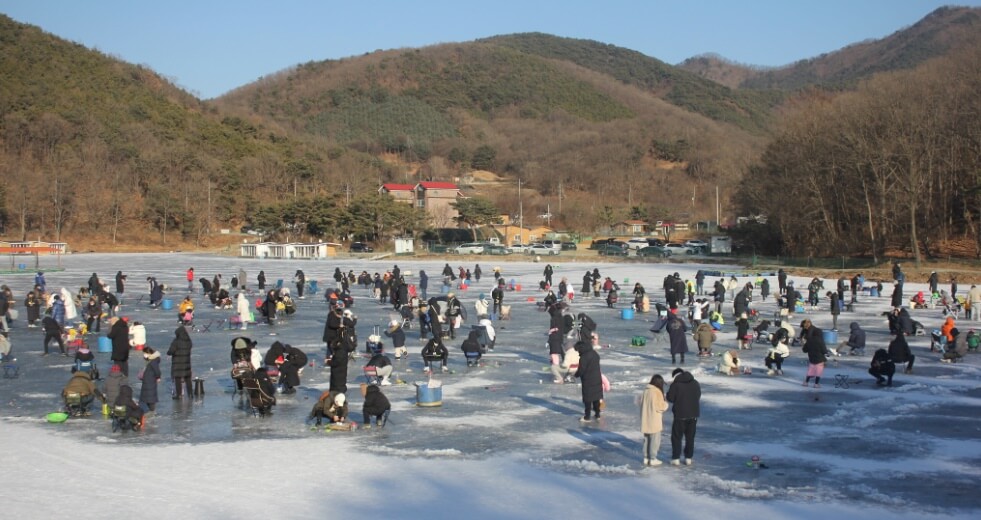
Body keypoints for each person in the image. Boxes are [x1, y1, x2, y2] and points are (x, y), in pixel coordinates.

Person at [666, 368, 701, 466]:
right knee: (690, 438)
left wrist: (669, 393)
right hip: (693, 414)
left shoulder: (676, 385)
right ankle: (688, 458)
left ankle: (676, 458)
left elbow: (670, 398)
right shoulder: (695, 383)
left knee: (677, 437)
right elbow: (698, 395)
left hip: (680, 415)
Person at [640, 374, 669, 466]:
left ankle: (646, 457)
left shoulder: (646, 390)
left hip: (645, 419)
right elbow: (660, 407)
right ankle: (653, 458)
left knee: (647, 439)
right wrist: (666, 404)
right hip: (654, 420)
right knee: (655, 440)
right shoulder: (657, 391)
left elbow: (640, 402)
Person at [575, 340, 603, 422]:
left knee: (588, 399)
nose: (578, 352)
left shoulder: (584, 357)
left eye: (578, 350)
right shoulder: (594, 353)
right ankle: (597, 414)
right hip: (597, 378)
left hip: (588, 380)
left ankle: (587, 417)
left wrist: (576, 374)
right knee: (596, 397)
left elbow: (581, 370)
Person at [167, 326, 194, 399]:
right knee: (188, 378)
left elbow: (171, 351)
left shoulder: (176, 341)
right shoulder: (188, 340)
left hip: (178, 363)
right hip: (186, 362)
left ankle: (179, 395)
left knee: (178, 378)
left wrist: (169, 353)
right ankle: (190, 394)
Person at [800, 319, 827, 388]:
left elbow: (804, 350)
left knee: (810, 371)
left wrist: (804, 344)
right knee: (818, 372)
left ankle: (806, 382)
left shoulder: (809, 341)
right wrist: (826, 353)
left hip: (811, 358)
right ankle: (816, 384)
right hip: (820, 359)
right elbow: (824, 350)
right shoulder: (820, 341)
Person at [138, 347, 161, 412]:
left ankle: (152, 410)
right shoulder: (150, 360)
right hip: (147, 380)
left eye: (145, 353)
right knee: (148, 396)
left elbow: (157, 371)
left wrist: (158, 377)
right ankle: (150, 409)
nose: (144, 354)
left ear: (148, 353)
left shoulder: (153, 361)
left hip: (150, 380)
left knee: (150, 396)